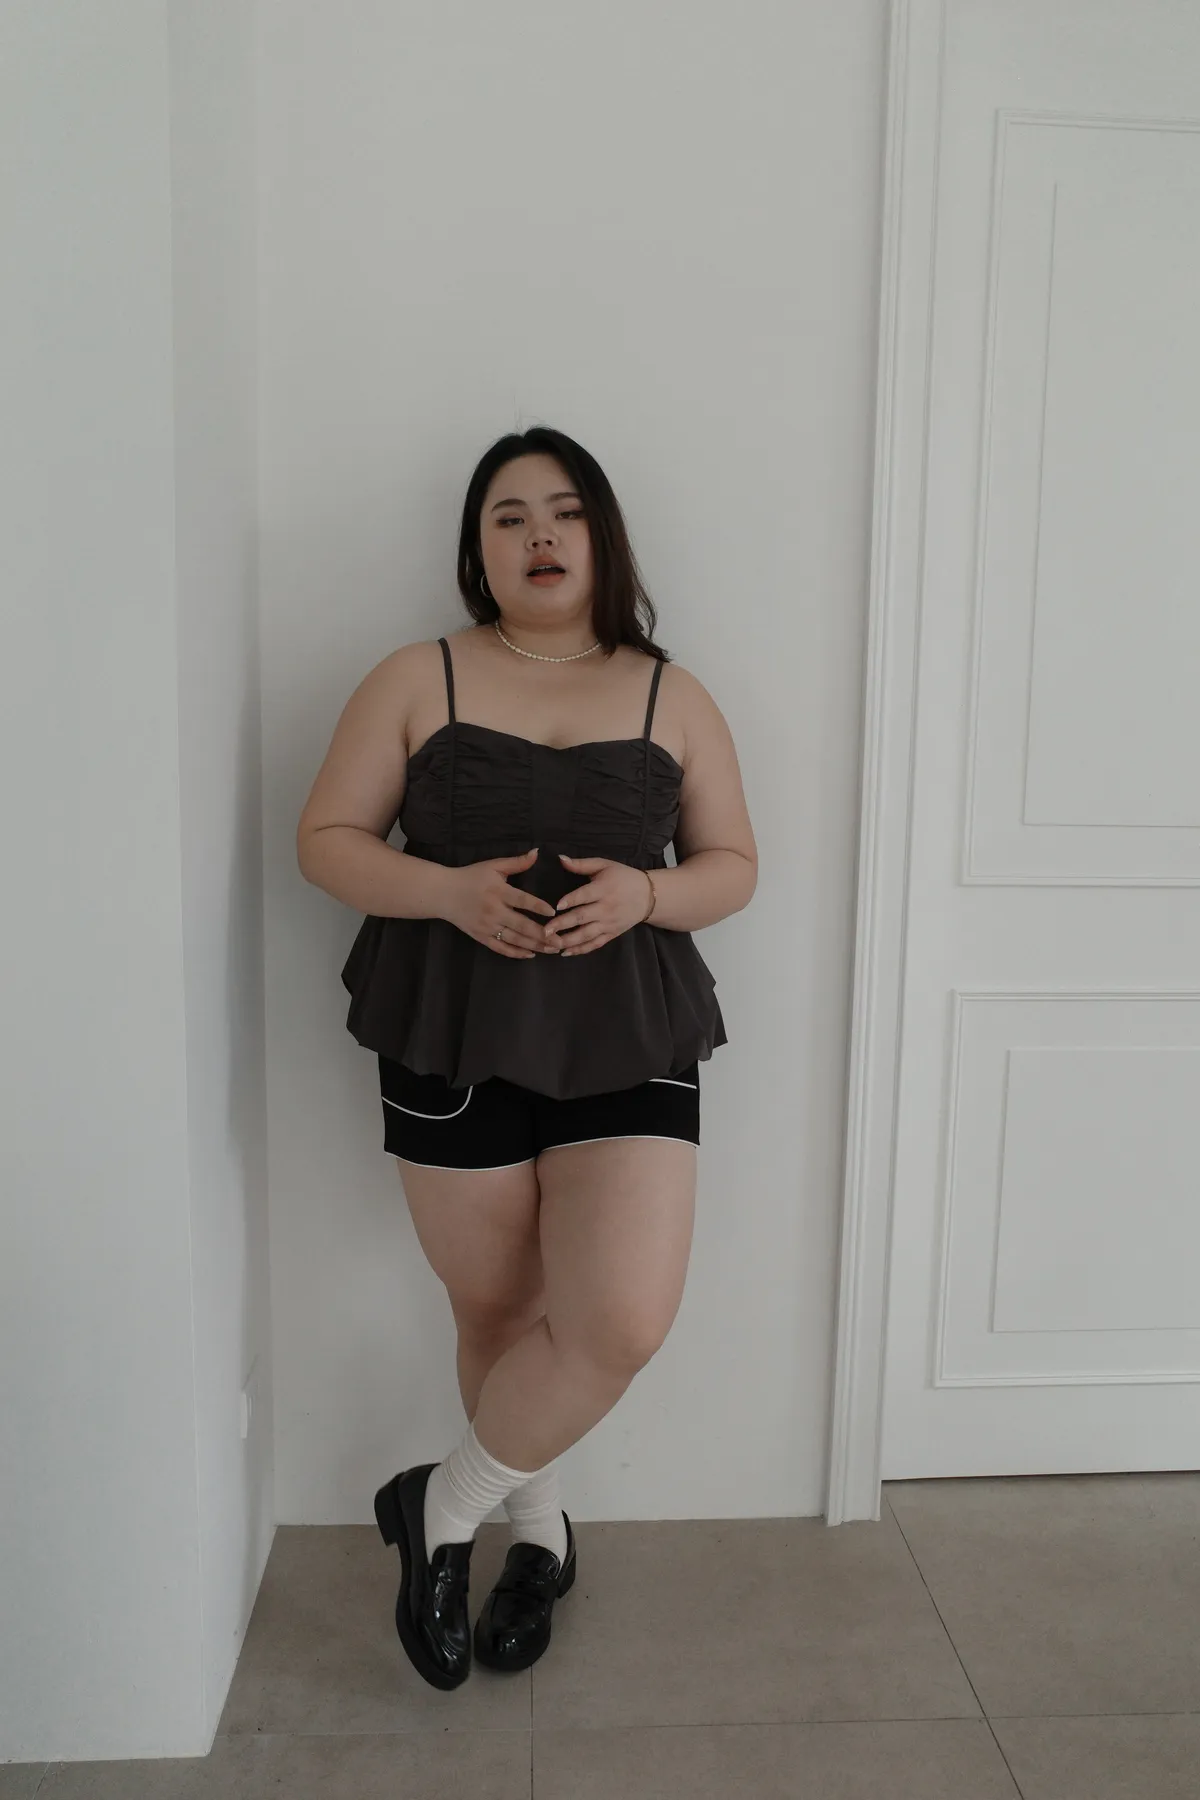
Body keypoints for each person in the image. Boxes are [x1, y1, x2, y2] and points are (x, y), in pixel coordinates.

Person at [296, 425, 757, 1691]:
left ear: (603, 537)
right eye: (508, 516)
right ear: (477, 550)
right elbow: (327, 839)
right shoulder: (417, 676)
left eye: (564, 511)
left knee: (620, 1319)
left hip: (631, 1028)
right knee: (499, 1316)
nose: (540, 534)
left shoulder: (672, 694)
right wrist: (445, 892)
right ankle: (539, 1540)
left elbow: (732, 865)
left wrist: (649, 896)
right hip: (449, 1024)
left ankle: (440, 1507)